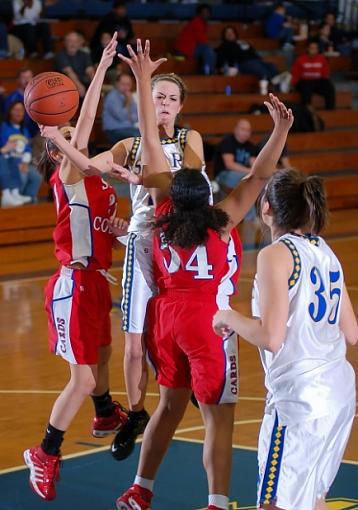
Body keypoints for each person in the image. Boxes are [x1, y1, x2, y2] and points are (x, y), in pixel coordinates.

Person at [114, 39, 293, 510]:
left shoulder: (161, 213)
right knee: (220, 418)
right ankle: (216, 501)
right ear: (209, 193)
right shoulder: (223, 218)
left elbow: (150, 142)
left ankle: (140, 488)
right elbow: (257, 175)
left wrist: (145, 86)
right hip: (207, 320)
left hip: (165, 319)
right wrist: (279, 131)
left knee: (170, 405)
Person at [38, 67, 212, 462]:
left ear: (180, 107)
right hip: (142, 242)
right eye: (157, 97)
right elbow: (86, 166)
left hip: (182, 243)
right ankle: (135, 415)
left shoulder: (190, 138)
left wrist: (135, 176)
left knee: (182, 331)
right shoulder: (128, 143)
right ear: (144, 104)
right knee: (133, 347)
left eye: (170, 99)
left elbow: (183, 183)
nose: (163, 104)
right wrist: (61, 143)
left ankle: (200, 391)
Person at [23, 33, 128, 501]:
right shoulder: (66, 174)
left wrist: (101, 68)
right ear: (54, 151)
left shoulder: (95, 180)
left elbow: (86, 128)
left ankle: (105, 412)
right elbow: (80, 126)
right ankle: (44, 451)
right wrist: (66, 129)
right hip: (73, 283)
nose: (75, 140)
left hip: (96, 282)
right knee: (82, 376)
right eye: (65, 139)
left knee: (103, 356)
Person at [213, 168, 357, 510]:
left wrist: (229, 316)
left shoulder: (274, 254)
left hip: (299, 400)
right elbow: (351, 333)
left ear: (266, 209)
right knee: (312, 499)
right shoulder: (324, 250)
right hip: (338, 393)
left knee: (274, 504)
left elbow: (271, 338)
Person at [216, 26, 291, 93]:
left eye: (231, 32)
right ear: (224, 35)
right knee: (258, 68)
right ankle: (272, 84)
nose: (230, 34)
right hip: (242, 64)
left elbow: (254, 53)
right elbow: (221, 60)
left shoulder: (243, 43)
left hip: (256, 61)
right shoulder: (223, 47)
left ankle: (278, 83)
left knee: (271, 66)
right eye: (228, 32)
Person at [0, 100, 42, 204]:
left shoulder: (24, 130)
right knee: (22, 175)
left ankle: (29, 199)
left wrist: (24, 162)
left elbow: (28, 148)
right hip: (8, 162)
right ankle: (15, 200)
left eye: (21, 110)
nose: (18, 112)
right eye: (15, 109)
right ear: (10, 111)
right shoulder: (3, 127)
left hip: (23, 162)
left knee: (37, 176)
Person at [291, 39, 336, 110]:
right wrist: (294, 84)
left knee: (329, 87)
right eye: (312, 48)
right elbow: (295, 74)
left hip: (318, 81)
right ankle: (307, 111)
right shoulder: (300, 59)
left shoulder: (322, 59)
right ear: (308, 49)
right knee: (306, 89)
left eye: (315, 48)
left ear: (318, 49)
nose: (313, 50)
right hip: (305, 81)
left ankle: (330, 110)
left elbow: (325, 74)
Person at [214, 118, 257, 190]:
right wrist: (250, 172)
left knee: (256, 179)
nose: (246, 133)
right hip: (224, 173)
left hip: (244, 173)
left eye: (248, 130)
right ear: (236, 129)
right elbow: (230, 165)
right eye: (243, 129)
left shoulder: (251, 146)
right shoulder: (228, 142)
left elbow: (254, 164)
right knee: (245, 180)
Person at [174, 3, 216, 75]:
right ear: (199, 13)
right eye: (203, 12)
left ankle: (207, 70)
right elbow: (203, 41)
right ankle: (208, 72)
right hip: (183, 51)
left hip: (190, 49)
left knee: (208, 50)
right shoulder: (197, 22)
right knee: (208, 50)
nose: (205, 14)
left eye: (207, 12)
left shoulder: (201, 23)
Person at [55, 31, 95, 98]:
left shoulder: (84, 54)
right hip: (65, 86)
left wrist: (96, 85)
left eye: (75, 41)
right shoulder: (60, 55)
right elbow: (69, 72)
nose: (73, 44)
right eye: (70, 41)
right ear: (65, 42)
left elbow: (90, 71)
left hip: (82, 83)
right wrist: (79, 86)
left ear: (79, 43)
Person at [102, 72, 140, 144]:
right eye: (123, 84)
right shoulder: (112, 97)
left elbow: (136, 117)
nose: (126, 87)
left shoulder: (128, 96)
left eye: (128, 84)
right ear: (117, 84)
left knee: (148, 134)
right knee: (137, 136)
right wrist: (128, 103)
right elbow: (121, 117)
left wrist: (131, 116)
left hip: (128, 128)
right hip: (114, 130)